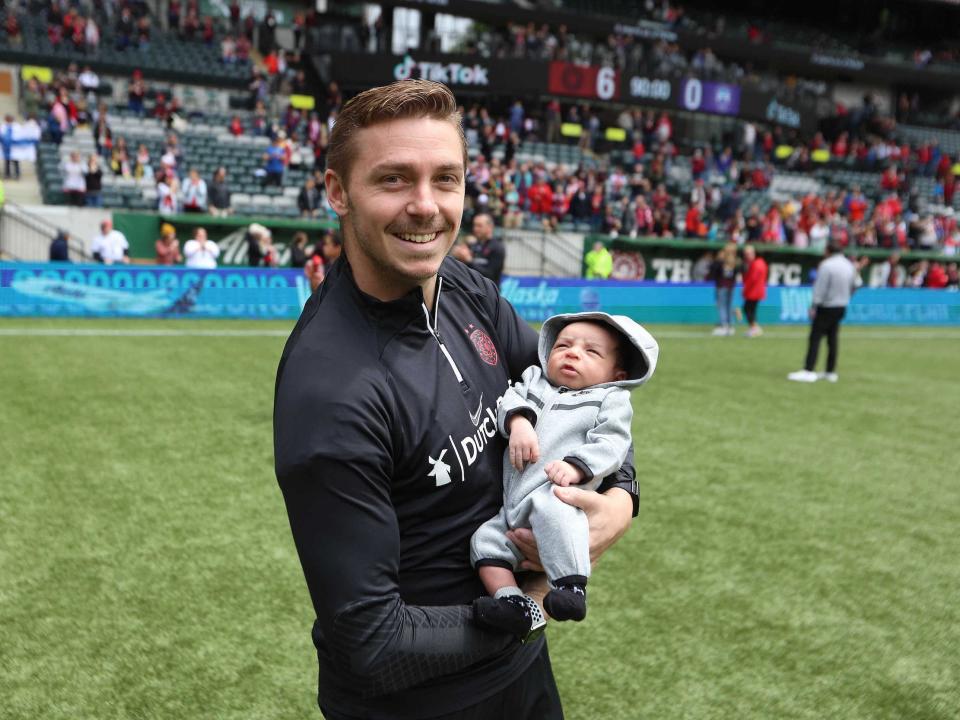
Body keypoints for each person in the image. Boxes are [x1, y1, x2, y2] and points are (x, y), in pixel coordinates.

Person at [273, 80, 637, 720]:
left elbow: (581, 395)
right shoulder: (331, 389)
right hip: (420, 704)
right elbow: (373, 641)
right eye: (393, 180)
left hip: (521, 672)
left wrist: (622, 500)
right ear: (337, 192)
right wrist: (537, 596)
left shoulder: (465, 286)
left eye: (446, 179)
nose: (426, 206)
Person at [471, 313, 658, 637]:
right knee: (484, 543)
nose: (573, 353)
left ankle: (570, 586)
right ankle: (512, 602)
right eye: (564, 345)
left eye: (591, 352)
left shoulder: (610, 399)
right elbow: (510, 399)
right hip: (511, 507)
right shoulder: (534, 379)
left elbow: (613, 443)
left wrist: (576, 466)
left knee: (560, 520)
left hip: (555, 492)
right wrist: (518, 423)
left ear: (618, 374)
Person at [787, 241, 860, 383]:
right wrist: (846, 296)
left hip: (826, 306)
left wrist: (814, 305)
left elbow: (819, 289)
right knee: (833, 339)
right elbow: (856, 284)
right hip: (841, 305)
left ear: (828, 251)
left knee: (815, 337)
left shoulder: (827, 265)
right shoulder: (849, 265)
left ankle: (809, 370)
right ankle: (830, 371)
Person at [450, 212, 506, 287]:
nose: (475, 229)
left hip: (488, 294)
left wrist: (469, 260)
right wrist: (458, 257)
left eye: (479, 226)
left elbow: (490, 275)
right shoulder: (474, 245)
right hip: (472, 292)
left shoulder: (497, 247)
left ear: (490, 227)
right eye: (474, 225)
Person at [708, 241, 738, 336]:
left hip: (721, 286)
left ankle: (723, 326)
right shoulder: (736, 261)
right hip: (731, 286)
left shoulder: (721, 261)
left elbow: (713, 270)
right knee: (729, 306)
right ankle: (730, 326)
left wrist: (718, 259)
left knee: (722, 306)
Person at [740, 244, 768, 337]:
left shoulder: (757, 264)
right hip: (756, 290)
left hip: (754, 291)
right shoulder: (760, 262)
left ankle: (754, 328)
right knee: (751, 309)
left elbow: (752, 279)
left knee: (748, 309)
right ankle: (754, 327)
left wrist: (745, 290)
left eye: (748, 254)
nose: (746, 256)